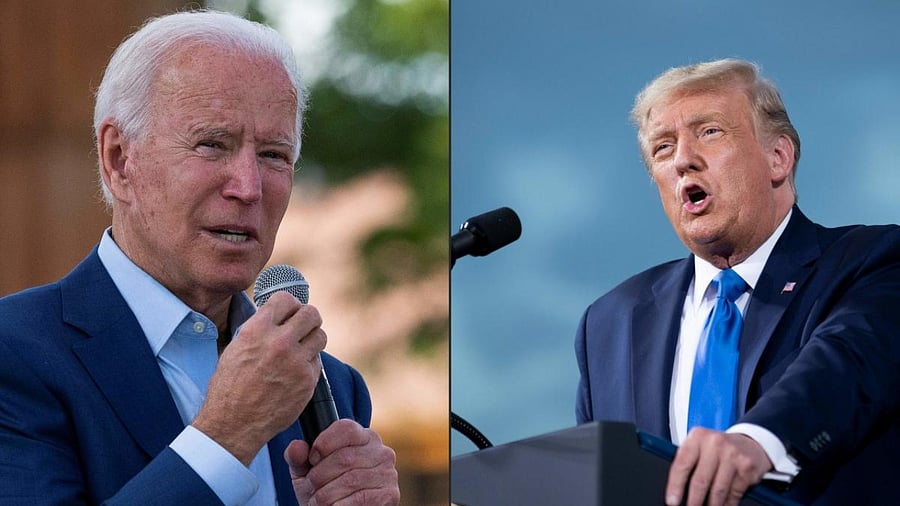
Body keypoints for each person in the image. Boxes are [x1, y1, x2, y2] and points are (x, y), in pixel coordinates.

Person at [0, 10, 400, 505]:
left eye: (274, 155)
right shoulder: (15, 353)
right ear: (119, 159)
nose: (248, 188)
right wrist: (225, 436)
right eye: (212, 145)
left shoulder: (331, 384)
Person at [575, 59, 900, 506]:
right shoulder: (609, 323)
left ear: (777, 157)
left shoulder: (872, 262)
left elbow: (844, 364)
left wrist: (755, 442)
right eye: (663, 148)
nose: (684, 160)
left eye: (709, 132)